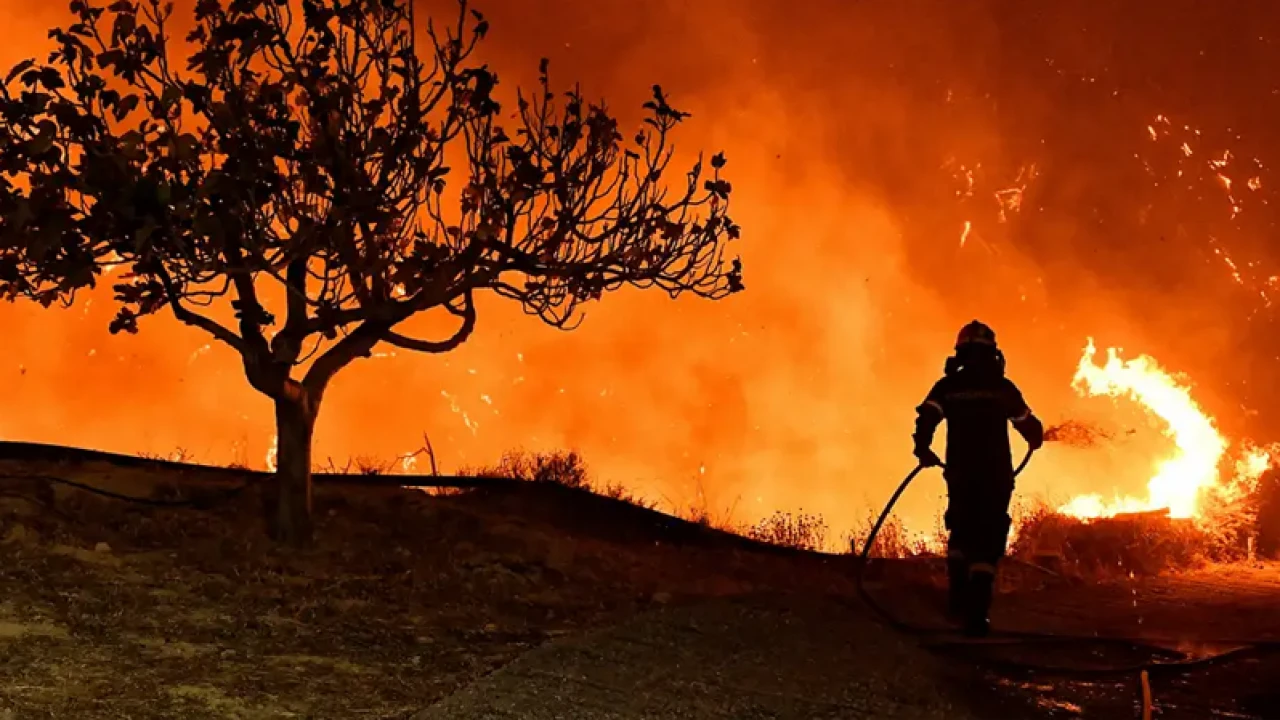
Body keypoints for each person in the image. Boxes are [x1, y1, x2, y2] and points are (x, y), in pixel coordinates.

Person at [912, 320, 1043, 637]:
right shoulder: (1002, 387)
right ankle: (977, 615)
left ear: (959, 353)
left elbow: (927, 416)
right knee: (988, 539)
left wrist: (923, 449)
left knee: (961, 532)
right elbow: (1028, 425)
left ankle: (956, 605)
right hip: (995, 474)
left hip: (960, 472)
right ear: (992, 353)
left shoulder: (948, 387)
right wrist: (1036, 436)